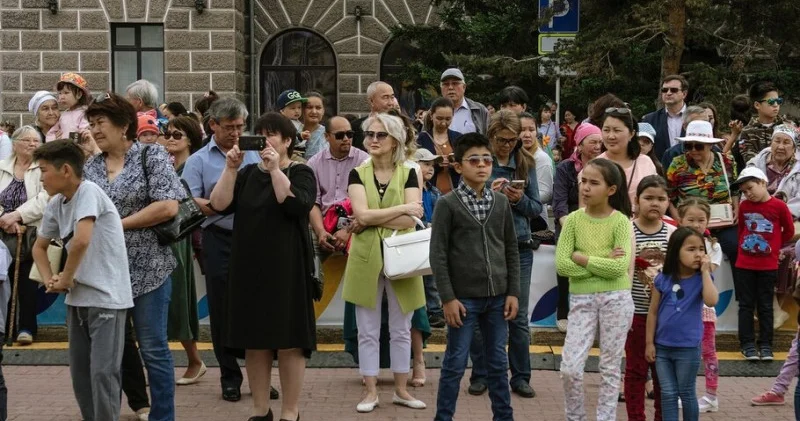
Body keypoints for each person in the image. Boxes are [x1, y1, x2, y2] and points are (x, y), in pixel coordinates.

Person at [81, 92, 185, 421]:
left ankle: (163, 416)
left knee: (153, 349)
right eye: (92, 123)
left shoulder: (151, 155)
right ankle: (111, 411)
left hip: (150, 269)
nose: (95, 129)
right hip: (106, 272)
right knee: (110, 353)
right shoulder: (91, 166)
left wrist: (115, 225)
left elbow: (168, 205)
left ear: (124, 125)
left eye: (101, 123)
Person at [209, 112, 316, 421]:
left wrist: (274, 170)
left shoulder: (300, 171)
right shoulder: (246, 174)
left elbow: (294, 203)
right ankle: (260, 409)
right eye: (260, 135)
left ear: (287, 141)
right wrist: (230, 168)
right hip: (248, 265)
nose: (265, 142)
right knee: (254, 340)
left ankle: (290, 411)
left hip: (288, 268)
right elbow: (219, 203)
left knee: (289, 341)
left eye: (272, 136)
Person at [181, 98, 277, 402]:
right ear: (212, 125)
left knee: (257, 308)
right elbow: (187, 200)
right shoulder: (198, 161)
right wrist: (217, 207)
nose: (236, 133)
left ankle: (260, 378)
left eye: (240, 127)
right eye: (229, 127)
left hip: (254, 237)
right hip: (218, 237)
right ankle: (229, 376)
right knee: (222, 308)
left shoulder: (255, 154)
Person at [32, 139, 134, 421]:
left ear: (65, 170)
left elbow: (80, 241)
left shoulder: (89, 191)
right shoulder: (55, 204)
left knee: (103, 372)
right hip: (77, 300)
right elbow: (38, 247)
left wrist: (64, 277)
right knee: (80, 375)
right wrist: (50, 279)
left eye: (43, 170)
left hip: (107, 299)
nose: (40, 177)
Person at [341, 113, 426, 413]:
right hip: (365, 257)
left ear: (395, 141)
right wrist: (402, 207)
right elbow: (361, 215)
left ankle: (401, 389)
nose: (373, 140)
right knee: (367, 328)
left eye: (381, 135)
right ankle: (371, 390)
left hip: (402, 254)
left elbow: (412, 219)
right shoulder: (357, 172)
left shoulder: (409, 171)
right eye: (369, 134)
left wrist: (375, 217)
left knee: (402, 327)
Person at [431, 133, 520, 421]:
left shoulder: (501, 203)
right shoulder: (447, 204)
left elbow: (511, 250)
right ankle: (443, 417)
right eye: (474, 160)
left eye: (487, 160)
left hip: (497, 298)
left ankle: (503, 416)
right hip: (463, 300)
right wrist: (447, 297)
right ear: (458, 166)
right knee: (455, 363)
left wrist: (513, 292)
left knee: (497, 362)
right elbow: (438, 255)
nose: (482, 165)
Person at [468, 110, 541, 399]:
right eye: (501, 140)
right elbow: (463, 201)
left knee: (519, 317)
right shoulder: (480, 161)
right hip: (484, 245)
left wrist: (519, 199)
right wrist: (489, 195)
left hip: (520, 245)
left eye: (513, 140)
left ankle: (521, 377)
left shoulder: (526, 163)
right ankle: (481, 373)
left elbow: (536, 209)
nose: (507, 146)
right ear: (490, 136)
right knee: (479, 313)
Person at [556, 157, 634, 421]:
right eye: (583, 182)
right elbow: (562, 265)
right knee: (569, 368)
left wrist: (584, 258)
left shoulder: (621, 221)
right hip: (581, 298)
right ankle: (575, 417)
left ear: (611, 190)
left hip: (617, 298)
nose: (585, 188)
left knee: (610, 367)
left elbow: (620, 267)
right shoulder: (574, 220)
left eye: (593, 183)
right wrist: (602, 263)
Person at [646, 227, 719, 421]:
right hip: (662, 347)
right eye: (691, 249)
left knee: (686, 393)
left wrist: (705, 272)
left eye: (701, 249)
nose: (698, 254)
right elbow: (652, 312)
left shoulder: (702, 279)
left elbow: (711, 301)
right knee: (668, 394)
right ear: (675, 251)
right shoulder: (662, 278)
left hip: (688, 348)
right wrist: (649, 343)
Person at [624, 175, 675, 421]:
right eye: (648, 198)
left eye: (661, 199)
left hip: (666, 317)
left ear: (668, 201)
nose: (655, 203)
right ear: (636, 200)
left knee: (663, 374)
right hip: (635, 314)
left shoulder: (674, 234)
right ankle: (636, 416)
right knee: (635, 370)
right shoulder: (625, 230)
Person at [731, 166, 794, 361]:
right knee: (746, 305)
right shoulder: (744, 206)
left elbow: (789, 231)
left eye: (750, 188)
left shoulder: (779, 206)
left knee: (766, 306)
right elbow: (742, 229)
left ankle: (766, 345)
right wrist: (745, 249)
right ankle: (747, 344)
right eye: (744, 191)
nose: (748, 193)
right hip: (744, 264)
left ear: (763, 183)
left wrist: (773, 248)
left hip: (767, 265)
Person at [666, 120, 739, 277]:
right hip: (690, 224)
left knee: (735, 247)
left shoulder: (726, 161)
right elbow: (669, 196)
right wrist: (678, 219)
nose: (693, 150)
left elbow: (734, 188)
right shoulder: (678, 164)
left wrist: (736, 208)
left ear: (710, 145)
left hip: (723, 223)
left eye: (698, 146)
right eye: (688, 145)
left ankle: (741, 298)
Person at [164, 116, 206, 385]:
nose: (169, 138)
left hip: (180, 237)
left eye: (176, 134)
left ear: (190, 139)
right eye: (166, 133)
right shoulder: (167, 165)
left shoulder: (192, 166)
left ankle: (194, 359)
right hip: (169, 234)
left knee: (178, 297)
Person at [551, 123, 603, 332]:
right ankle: (563, 311)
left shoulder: (607, 167)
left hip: (599, 219)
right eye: (593, 142)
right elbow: (559, 203)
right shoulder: (565, 168)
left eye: (601, 142)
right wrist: (571, 226)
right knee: (565, 262)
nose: (598, 146)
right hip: (569, 221)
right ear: (579, 145)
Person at [0, 126, 48, 345]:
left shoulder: (43, 169)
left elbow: (45, 198)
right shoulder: (1, 168)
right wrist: (5, 219)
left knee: (26, 279)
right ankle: (4, 326)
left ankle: (26, 327)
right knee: (4, 278)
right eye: (27, 140)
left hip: (32, 232)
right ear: (15, 143)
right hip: (3, 231)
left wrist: (18, 216)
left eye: (36, 141)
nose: (32, 144)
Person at [677, 198, 724, 413]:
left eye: (701, 220)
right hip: (679, 308)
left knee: (708, 352)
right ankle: (683, 392)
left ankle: (711, 396)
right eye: (691, 219)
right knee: (682, 352)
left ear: (708, 221)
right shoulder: (673, 242)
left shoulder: (714, 246)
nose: (696, 224)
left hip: (703, 310)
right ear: (681, 219)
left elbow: (706, 270)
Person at [595, 106, 658, 208]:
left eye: (617, 130)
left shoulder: (646, 162)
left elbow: (656, 197)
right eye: (606, 130)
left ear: (631, 134)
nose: (611, 136)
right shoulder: (594, 166)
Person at [413, 148, 445, 328]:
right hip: (416, 238)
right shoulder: (411, 190)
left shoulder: (435, 192)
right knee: (418, 277)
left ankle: (434, 310)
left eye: (432, 164)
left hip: (431, 239)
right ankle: (422, 312)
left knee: (431, 276)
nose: (431, 168)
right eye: (425, 164)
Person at [747, 124, 800, 216]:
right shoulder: (754, 164)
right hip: (756, 216)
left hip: (789, 217)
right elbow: (746, 192)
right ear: (771, 143)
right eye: (777, 141)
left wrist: (778, 214)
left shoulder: (797, 167)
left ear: (794, 148)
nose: (780, 147)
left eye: (786, 142)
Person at [416, 98, 462, 194]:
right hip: (429, 193)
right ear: (431, 116)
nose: (444, 123)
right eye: (439, 118)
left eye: (448, 119)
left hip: (455, 191)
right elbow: (416, 166)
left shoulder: (458, 137)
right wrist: (436, 164)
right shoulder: (422, 138)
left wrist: (456, 165)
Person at [520, 111, 554, 231]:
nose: (527, 134)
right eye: (522, 129)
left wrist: (518, 198)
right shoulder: (510, 156)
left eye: (531, 129)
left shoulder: (541, 158)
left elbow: (546, 193)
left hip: (536, 220)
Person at [642, 74, 689, 159]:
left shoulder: (695, 118)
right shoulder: (649, 120)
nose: (668, 93)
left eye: (673, 90)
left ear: (684, 94)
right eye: (664, 90)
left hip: (690, 169)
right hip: (659, 169)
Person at [740, 81, 784, 163]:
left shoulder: (788, 127)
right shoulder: (747, 132)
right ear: (757, 105)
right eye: (771, 102)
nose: (775, 105)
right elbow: (751, 160)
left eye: (778, 101)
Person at [659, 106, 713, 171]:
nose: (694, 150)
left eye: (699, 146)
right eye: (689, 146)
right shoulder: (672, 155)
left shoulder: (722, 158)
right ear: (684, 126)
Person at [439, 68, 489, 135]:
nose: (450, 87)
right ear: (441, 89)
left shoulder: (479, 110)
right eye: (446, 84)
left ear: (464, 87)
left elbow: (489, 139)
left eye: (455, 83)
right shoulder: (432, 113)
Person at [352, 82, 397, 150]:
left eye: (392, 97)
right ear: (371, 101)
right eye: (385, 97)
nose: (390, 103)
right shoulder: (355, 127)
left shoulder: (401, 125)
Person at [46, 73, 91, 142]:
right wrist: (53, 142)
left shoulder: (84, 113)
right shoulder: (63, 115)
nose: (62, 97)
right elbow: (51, 133)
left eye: (66, 93)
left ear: (79, 94)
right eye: (60, 93)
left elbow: (84, 133)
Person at [301, 92, 326, 159]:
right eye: (309, 107)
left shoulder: (329, 134)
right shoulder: (294, 131)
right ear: (302, 110)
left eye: (318, 108)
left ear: (323, 111)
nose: (314, 111)